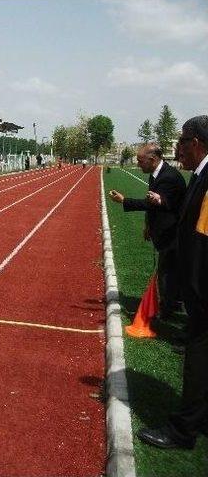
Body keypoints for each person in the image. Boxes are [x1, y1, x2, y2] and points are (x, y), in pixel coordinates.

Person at [138, 115, 208, 450]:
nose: (177, 147)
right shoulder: (199, 174)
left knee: (198, 361)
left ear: (196, 142)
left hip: (203, 292)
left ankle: (183, 431)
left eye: (181, 141)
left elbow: (201, 239)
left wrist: (192, 290)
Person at [109, 143, 186, 322]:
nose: (138, 164)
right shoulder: (156, 174)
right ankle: (175, 303)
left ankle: (166, 312)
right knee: (169, 271)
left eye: (140, 161)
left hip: (172, 234)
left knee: (167, 273)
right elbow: (154, 203)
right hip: (163, 231)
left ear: (152, 160)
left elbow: (151, 203)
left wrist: (124, 200)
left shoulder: (169, 177)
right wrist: (148, 225)